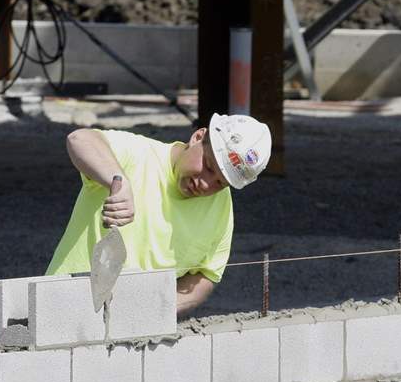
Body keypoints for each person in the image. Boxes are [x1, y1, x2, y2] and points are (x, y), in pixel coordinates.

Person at [46, 113, 272, 314]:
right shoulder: (139, 155)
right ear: (198, 137)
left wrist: (155, 311)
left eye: (220, 183)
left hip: (133, 335)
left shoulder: (220, 205)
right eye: (209, 166)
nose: (206, 184)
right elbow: (79, 139)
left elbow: (206, 275)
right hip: (63, 309)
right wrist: (118, 180)